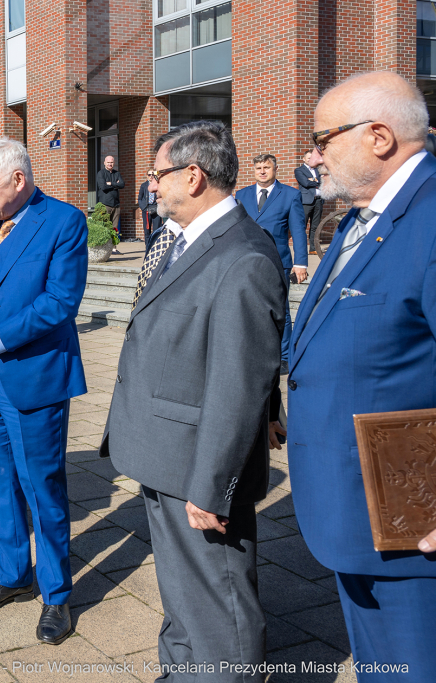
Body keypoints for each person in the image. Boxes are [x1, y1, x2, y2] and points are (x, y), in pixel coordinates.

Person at [99, 120, 286, 680]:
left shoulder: (243, 257)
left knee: (218, 609)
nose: (150, 186)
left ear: (194, 176)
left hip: (197, 470)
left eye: (157, 175)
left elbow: (239, 384)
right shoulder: (178, 239)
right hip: (165, 452)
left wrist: (213, 485)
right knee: (183, 596)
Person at [287, 71, 436, 679]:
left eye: (323, 139)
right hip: (358, 514)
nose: (313, 156)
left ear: (378, 136)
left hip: (414, 527)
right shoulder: (362, 216)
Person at [0, 137, 88, 646]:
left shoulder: (64, 222)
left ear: (17, 180)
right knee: (1, 482)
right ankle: (11, 575)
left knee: (41, 486)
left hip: (33, 377)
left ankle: (56, 594)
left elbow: (59, 303)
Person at [235, 153, 307, 373]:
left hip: (278, 262)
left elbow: (298, 231)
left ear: (275, 169)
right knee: (248, 307)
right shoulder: (241, 195)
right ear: (253, 170)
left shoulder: (290, 195)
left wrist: (301, 263)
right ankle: (253, 351)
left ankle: (284, 356)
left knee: (280, 309)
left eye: (266, 167)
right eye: (258, 168)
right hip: (246, 260)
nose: (262, 171)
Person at [294, 150, 325, 254]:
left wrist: (313, 180)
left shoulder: (318, 170)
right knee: (302, 225)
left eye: (312, 158)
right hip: (306, 202)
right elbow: (305, 183)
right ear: (303, 159)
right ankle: (301, 250)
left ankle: (313, 248)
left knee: (315, 226)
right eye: (308, 158)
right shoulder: (299, 170)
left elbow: (324, 181)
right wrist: (317, 181)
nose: (310, 160)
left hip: (318, 200)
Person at [95, 155, 124, 251]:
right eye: (108, 162)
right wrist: (116, 184)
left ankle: (113, 248)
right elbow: (103, 187)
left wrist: (111, 183)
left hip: (116, 204)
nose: (110, 164)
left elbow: (122, 184)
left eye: (111, 162)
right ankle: (104, 248)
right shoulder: (101, 173)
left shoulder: (117, 173)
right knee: (105, 226)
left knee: (114, 228)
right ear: (104, 163)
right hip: (105, 204)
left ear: (114, 163)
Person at [137, 170, 162, 252]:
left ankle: (155, 248)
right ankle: (148, 248)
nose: (151, 176)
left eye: (152, 174)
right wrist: (144, 208)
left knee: (157, 229)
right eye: (149, 174)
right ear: (146, 175)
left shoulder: (158, 185)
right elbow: (140, 198)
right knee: (147, 230)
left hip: (156, 209)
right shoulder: (144, 185)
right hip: (146, 209)